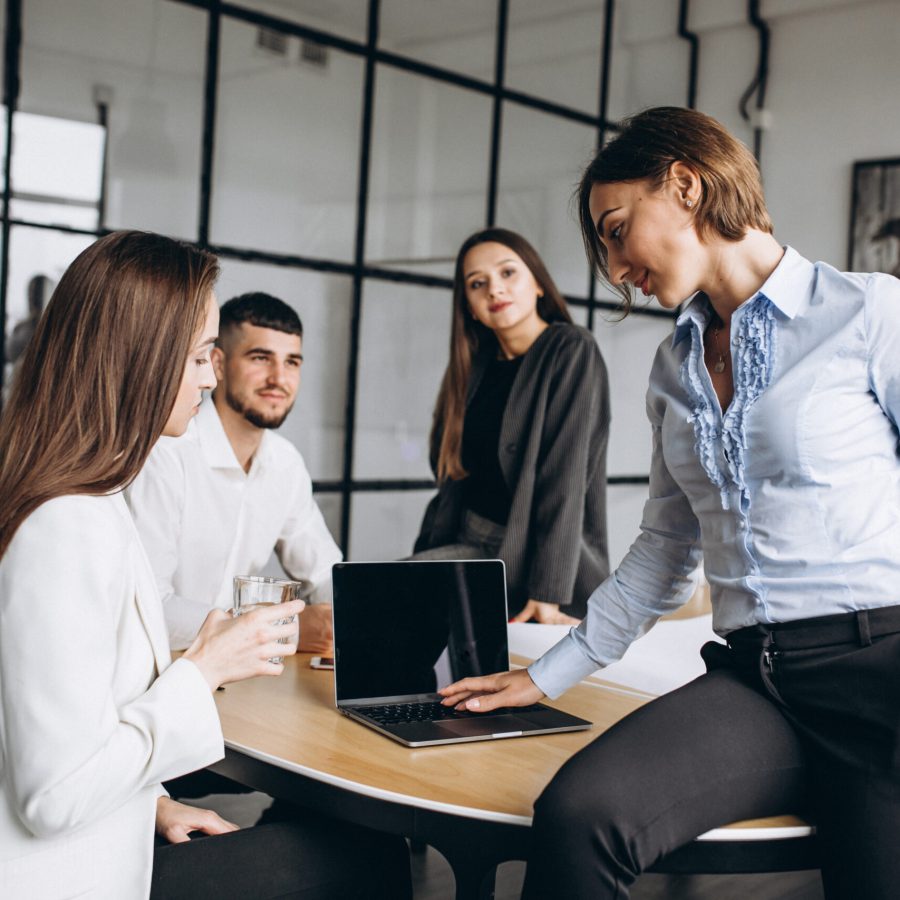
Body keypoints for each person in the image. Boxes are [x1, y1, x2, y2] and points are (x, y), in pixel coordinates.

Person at [439, 106, 900, 900]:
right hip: (758, 681)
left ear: (685, 185)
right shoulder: (671, 366)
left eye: (616, 231)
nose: (614, 268)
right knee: (581, 814)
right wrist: (546, 677)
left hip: (880, 675)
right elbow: (663, 549)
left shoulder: (869, 312)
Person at [0, 232, 410, 899]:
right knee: (368, 858)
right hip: (72, 875)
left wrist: (155, 803)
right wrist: (205, 667)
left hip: (119, 824)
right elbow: (53, 794)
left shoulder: (88, 500)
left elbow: (73, 723)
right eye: (198, 356)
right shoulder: (65, 527)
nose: (207, 376)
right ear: (139, 360)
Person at [413, 227, 610, 623]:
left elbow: (565, 480)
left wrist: (547, 593)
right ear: (468, 304)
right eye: (477, 283)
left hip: (537, 558)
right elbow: (451, 475)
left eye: (508, 273)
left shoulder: (571, 350)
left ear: (538, 283)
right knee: (382, 594)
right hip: (472, 543)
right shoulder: (473, 366)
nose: (494, 290)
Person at [126, 291, 340, 654]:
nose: (279, 378)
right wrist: (284, 628)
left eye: (292, 363)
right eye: (261, 358)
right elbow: (148, 607)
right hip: (158, 671)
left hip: (235, 673)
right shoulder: (166, 453)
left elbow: (327, 574)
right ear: (218, 364)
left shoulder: (285, 463)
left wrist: (347, 615)